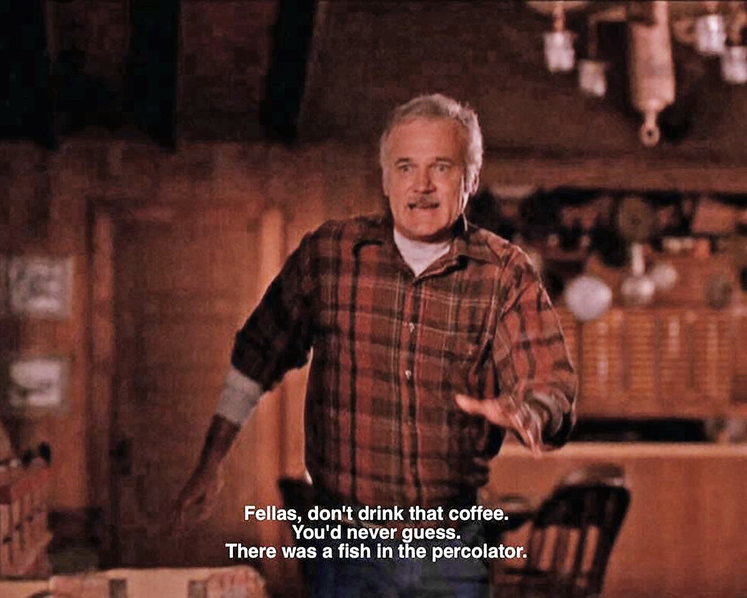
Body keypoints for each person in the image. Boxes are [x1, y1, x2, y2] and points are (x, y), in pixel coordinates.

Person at [174, 94, 577, 596]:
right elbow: (257, 355)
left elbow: (549, 383)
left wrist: (530, 412)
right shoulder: (329, 254)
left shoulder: (505, 273)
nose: (422, 185)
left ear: (471, 180)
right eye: (406, 167)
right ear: (386, 179)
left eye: (441, 167)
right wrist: (211, 461)